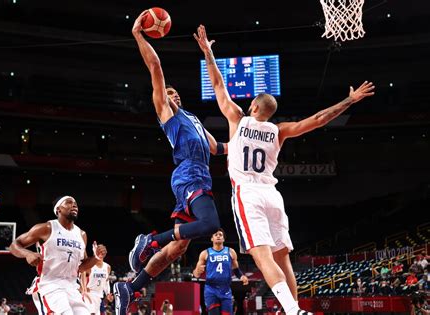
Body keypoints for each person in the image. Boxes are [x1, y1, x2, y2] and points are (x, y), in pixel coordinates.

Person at [194, 24, 375, 315]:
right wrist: (349, 101)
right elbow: (317, 119)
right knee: (283, 259)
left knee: (262, 256)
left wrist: (208, 52)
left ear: (253, 105)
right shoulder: (280, 131)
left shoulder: (238, 119)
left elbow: (218, 86)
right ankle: (296, 309)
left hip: (248, 194)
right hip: (273, 195)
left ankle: (293, 311)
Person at [114, 11, 227, 315]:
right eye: (167, 92)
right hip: (189, 173)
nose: (171, 94)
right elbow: (155, 65)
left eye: (175, 92)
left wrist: (248, 140)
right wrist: (138, 35)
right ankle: (149, 239)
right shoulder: (168, 113)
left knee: (177, 249)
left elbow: (218, 148)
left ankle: (130, 287)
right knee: (212, 225)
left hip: (199, 174)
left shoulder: (194, 120)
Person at [9, 195, 107, 315]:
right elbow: (14, 245)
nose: (74, 205)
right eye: (69, 203)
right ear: (58, 209)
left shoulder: (81, 234)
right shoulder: (46, 228)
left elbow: (82, 267)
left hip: (72, 287)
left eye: (75, 203)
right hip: (50, 285)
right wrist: (28, 254)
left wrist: (96, 258)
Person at [192, 228, 248, 315]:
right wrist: (197, 271)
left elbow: (236, 270)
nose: (218, 236)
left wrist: (242, 276)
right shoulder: (205, 253)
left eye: (220, 235)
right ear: (212, 238)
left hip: (226, 289)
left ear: (224, 239)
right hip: (211, 289)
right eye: (216, 235)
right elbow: (195, 275)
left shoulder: (231, 252)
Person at [85, 246, 113, 315]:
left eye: (102, 252)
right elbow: (80, 277)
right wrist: (83, 288)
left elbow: (106, 282)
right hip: (89, 293)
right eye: (98, 252)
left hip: (99, 295)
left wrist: (108, 293)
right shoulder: (90, 265)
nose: (100, 254)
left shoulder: (107, 267)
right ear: (95, 253)